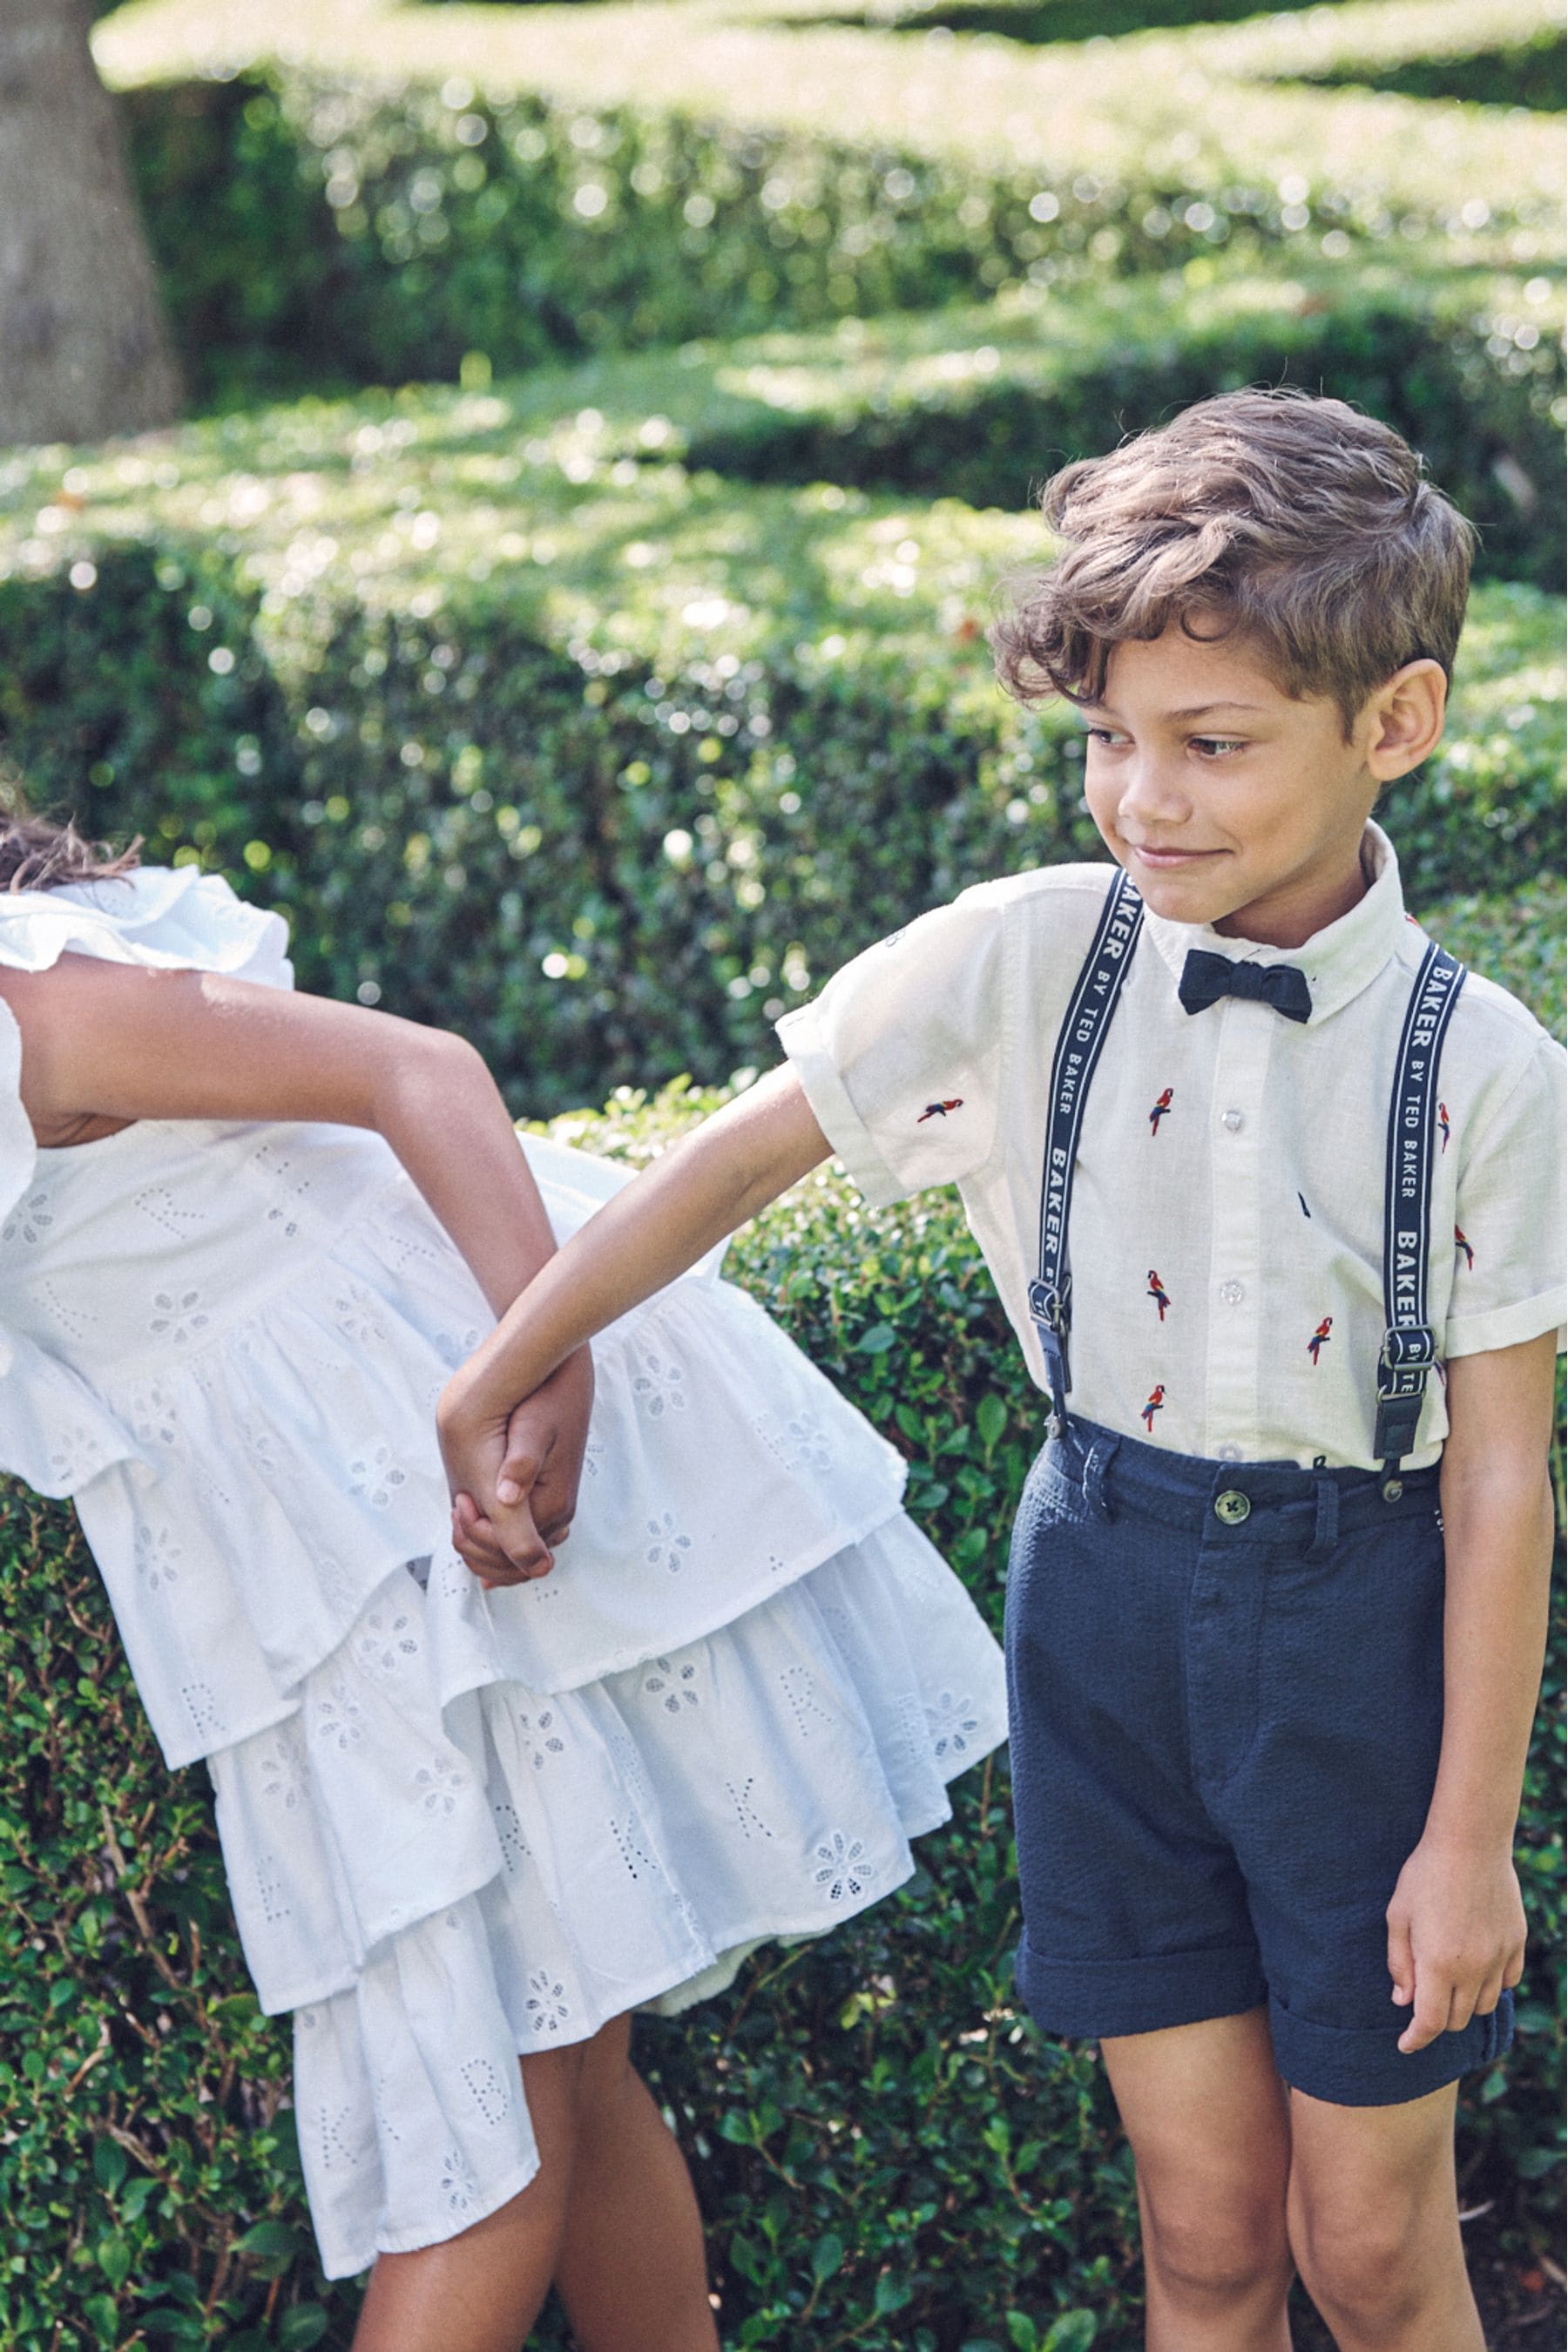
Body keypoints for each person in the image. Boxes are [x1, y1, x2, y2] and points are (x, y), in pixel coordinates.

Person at [437, 391, 1565, 2351]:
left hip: (1359, 1640)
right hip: (1103, 1608)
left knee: (1372, 2252)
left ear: (1395, 724)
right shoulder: (1028, 958)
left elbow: (1498, 1479)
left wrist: (1470, 1836)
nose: (1147, 801)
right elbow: (732, 1161)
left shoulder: (1488, 1071)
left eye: (1213, 747)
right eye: (1114, 744)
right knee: (1204, 2235)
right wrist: (507, 1362)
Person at [0, 808, 1006, 2348]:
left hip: (447, 1458)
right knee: (566, 2074)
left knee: (490, 2120)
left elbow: (423, 1068)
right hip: (320, 1532)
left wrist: (549, 1359)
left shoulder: (38, 1003)